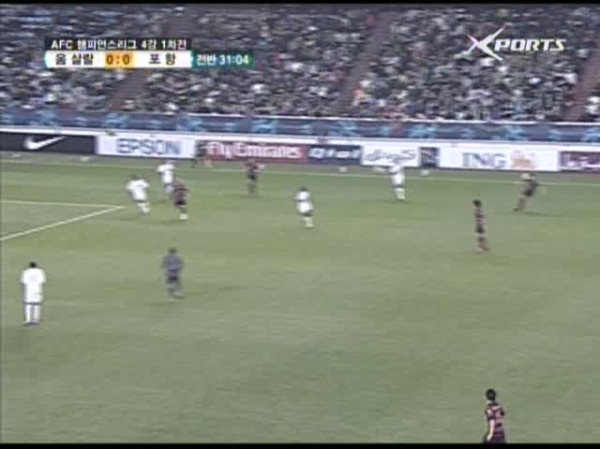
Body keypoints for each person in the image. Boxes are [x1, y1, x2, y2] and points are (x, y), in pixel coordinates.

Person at [20, 262, 46, 326]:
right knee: (37, 305)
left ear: (29, 266)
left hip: (29, 290)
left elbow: (24, 281)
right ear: (36, 266)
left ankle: (28, 320)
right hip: (37, 289)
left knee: (28, 305)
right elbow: (42, 281)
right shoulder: (40, 271)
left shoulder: (26, 272)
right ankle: (36, 319)